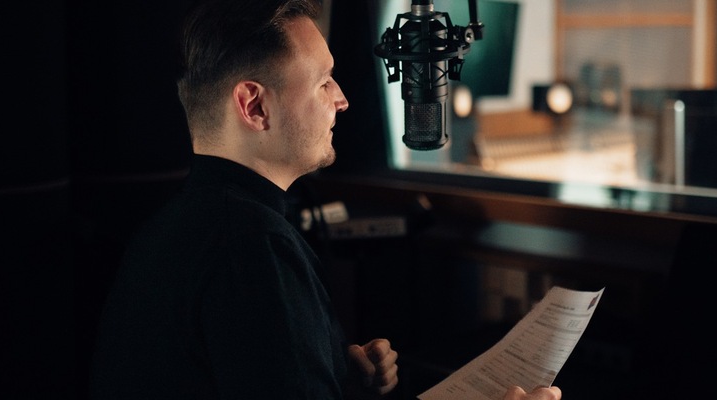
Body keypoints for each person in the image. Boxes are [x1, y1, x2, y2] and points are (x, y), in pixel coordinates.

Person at [90, 1, 561, 399]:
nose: (342, 100)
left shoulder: (176, 227)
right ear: (254, 106)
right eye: (323, 82)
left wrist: (339, 378)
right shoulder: (251, 247)